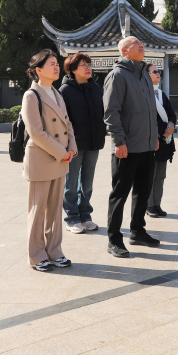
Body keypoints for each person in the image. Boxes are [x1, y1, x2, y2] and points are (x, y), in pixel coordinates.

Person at [102, 36, 160, 258]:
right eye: (136, 44)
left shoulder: (144, 74)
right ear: (125, 51)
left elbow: (151, 110)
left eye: (142, 43)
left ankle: (138, 231)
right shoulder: (117, 75)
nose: (141, 46)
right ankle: (114, 239)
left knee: (143, 192)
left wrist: (154, 136)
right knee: (120, 194)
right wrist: (119, 141)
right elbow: (111, 112)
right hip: (126, 147)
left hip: (147, 145)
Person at [22, 49, 76, 272]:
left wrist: (71, 148)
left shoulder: (56, 93)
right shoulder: (31, 95)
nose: (56, 67)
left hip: (60, 158)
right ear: (38, 70)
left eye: (56, 63)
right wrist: (61, 152)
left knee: (54, 210)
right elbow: (36, 133)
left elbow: (67, 124)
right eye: (51, 64)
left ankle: (55, 251)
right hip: (41, 159)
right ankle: (36, 256)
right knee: (38, 211)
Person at [58, 52, 106, 234]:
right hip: (74, 145)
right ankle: (72, 218)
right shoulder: (65, 91)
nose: (88, 68)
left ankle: (85, 216)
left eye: (89, 64)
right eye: (83, 65)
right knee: (71, 184)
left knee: (87, 184)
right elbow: (63, 120)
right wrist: (68, 144)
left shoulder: (96, 88)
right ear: (72, 69)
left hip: (93, 142)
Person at [132, 63, 176, 218]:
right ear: (146, 75)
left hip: (165, 142)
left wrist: (171, 125)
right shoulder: (142, 93)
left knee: (160, 176)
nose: (158, 74)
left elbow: (171, 114)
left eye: (159, 71)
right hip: (151, 140)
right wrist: (164, 128)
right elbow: (147, 117)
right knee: (149, 176)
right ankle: (149, 205)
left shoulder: (161, 94)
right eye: (154, 71)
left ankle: (157, 204)